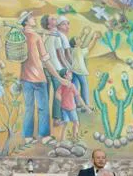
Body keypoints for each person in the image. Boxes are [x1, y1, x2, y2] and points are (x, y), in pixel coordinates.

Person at [18, 11, 59, 145]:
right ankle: (44, 136)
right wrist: (58, 77)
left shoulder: (20, 35)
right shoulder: (36, 36)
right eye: (31, 17)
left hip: (25, 77)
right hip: (39, 77)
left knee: (29, 107)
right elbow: (46, 60)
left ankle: (28, 136)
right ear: (26, 21)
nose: (34, 18)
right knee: (43, 107)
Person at [55, 68, 91, 142]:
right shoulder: (62, 86)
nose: (71, 74)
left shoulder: (72, 86)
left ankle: (74, 139)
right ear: (65, 76)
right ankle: (62, 140)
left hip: (72, 108)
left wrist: (86, 107)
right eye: (69, 73)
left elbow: (78, 97)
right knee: (66, 124)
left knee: (75, 123)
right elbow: (57, 94)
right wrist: (60, 98)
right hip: (65, 108)